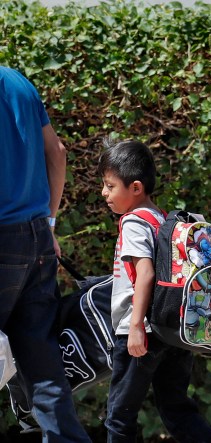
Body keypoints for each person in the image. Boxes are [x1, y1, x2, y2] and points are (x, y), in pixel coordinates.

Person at [98, 140, 211, 443]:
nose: (104, 193)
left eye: (109, 185)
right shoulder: (162, 218)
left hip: (141, 330)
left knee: (119, 416)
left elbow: (144, 275)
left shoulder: (132, 221)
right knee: (177, 410)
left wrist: (134, 328)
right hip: (171, 329)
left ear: (135, 187)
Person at [0, 66, 92, 442]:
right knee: (44, 367)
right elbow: (57, 152)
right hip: (37, 237)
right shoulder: (19, 82)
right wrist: (49, 224)